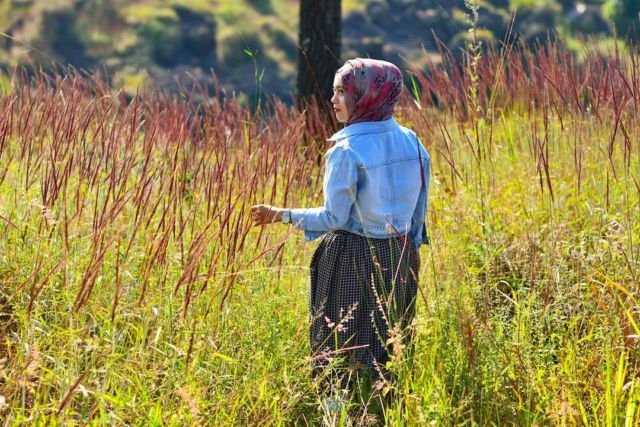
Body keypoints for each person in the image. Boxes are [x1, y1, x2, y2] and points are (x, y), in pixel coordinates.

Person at [250, 58, 430, 400]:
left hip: (352, 255)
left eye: (342, 91)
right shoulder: (413, 142)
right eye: (334, 90)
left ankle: (335, 413)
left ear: (367, 94)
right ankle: (384, 409)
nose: (333, 99)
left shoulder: (346, 150)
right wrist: (411, 249)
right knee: (390, 341)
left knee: (338, 343)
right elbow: (419, 212)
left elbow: (334, 218)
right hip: (402, 255)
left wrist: (280, 214)